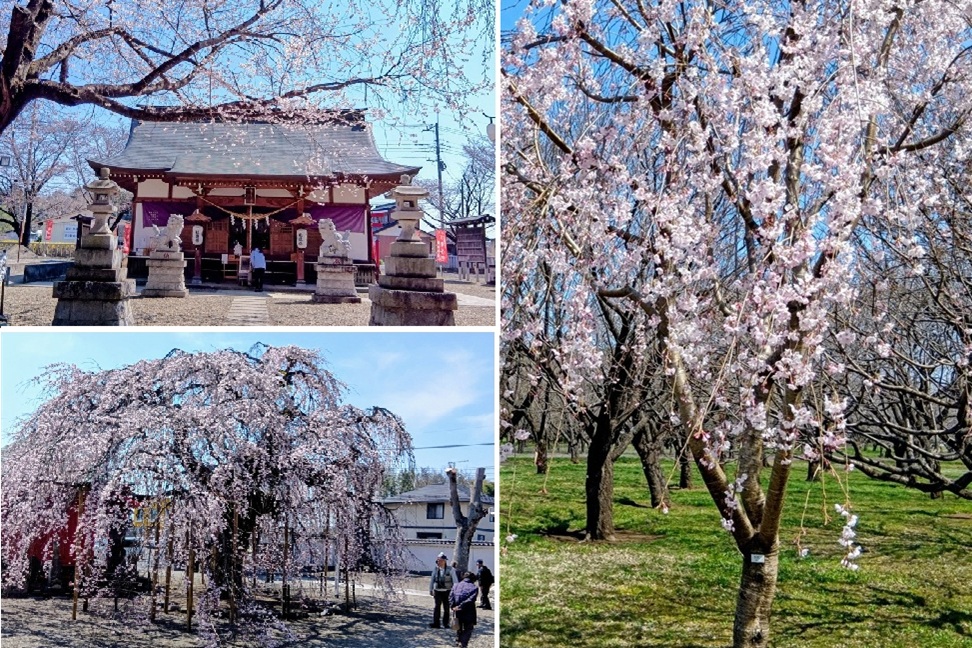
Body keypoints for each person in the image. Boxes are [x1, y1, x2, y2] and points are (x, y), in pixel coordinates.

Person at [449, 571, 479, 648]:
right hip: (469, 611)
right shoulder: (474, 587)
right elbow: (471, 599)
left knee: (458, 626)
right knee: (468, 628)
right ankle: (463, 643)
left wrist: (453, 606)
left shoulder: (456, 585)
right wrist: (461, 606)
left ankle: (458, 640)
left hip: (457, 611)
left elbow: (451, 596)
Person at [428, 553, 458, 629]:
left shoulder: (451, 569)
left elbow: (455, 581)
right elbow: (432, 580)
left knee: (446, 607)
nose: (439, 562)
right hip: (437, 591)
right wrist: (431, 589)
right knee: (436, 607)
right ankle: (436, 623)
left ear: (444, 561)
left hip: (447, 591)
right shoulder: (435, 569)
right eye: (438, 561)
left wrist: (455, 591)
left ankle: (445, 623)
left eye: (441, 561)